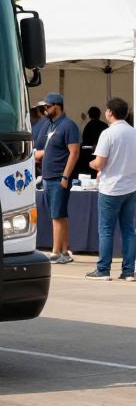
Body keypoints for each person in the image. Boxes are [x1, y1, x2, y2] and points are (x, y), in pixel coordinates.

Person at [86, 97, 136, 281]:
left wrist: (91, 163)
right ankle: (128, 271)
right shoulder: (133, 132)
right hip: (131, 187)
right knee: (128, 230)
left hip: (111, 188)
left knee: (106, 230)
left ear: (110, 113)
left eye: (107, 110)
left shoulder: (107, 134)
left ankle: (103, 269)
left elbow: (99, 162)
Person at [34, 92, 80, 264]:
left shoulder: (68, 125)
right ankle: (64, 252)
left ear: (57, 106)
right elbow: (41, 147)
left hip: (58, 176)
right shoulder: (49, 125)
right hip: (48, 176)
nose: (45, 109)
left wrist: (65, 176)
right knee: (59, 215)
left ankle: (56, 252)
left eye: (47, 106)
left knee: (57, 215)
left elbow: (74, 152)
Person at [80, 106, 109, 176]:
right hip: (103, 154)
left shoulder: (88, 126)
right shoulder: (104, 125)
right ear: (99, 114)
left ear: (89, 115)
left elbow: (84, 140)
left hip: (89, 154)